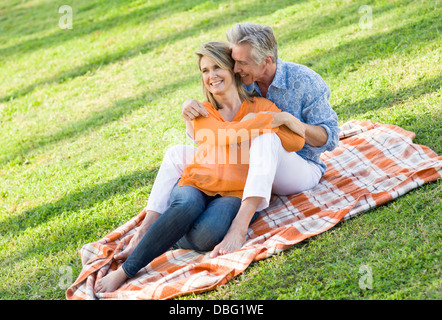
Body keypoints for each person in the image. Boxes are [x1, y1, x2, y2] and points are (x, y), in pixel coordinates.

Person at [95, 41, 305, 293]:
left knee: (206, 236)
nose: (211, 76)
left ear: (232, 70)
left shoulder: (261, 107)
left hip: (235, 191)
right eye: (205, 70)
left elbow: (296, 140)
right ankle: (127, 269)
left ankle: (168, 231)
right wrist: (269, 122)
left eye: (217, 67)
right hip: (197, 182)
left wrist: (279, 118)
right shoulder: (202, 111)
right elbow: (227, 135)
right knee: (187, 205)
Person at [165, 23, 340, 258]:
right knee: (177, 152)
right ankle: (151, 224)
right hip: (251, 166)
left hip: (299, 166)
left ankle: (239, 226)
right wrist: (189, 107)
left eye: (242, 63)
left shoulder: (305, 80)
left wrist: (290, 123)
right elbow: (218, 121)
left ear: (266, 60)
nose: (235, 69)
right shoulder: (244, 81)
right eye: (234, 61)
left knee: (266, 140)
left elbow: (330, 139)